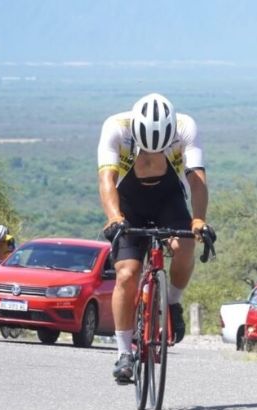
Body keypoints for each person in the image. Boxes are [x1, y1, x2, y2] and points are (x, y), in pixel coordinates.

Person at [97, 93, 211, 383]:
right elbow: (107, 180)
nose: (151, 155)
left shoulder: (186, 127)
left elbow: (196, 178)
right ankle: (123, 352)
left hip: (167, 199)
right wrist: (114, 218)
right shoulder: (116, 127)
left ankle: (172, 302)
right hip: (129, 204)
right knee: (127, 273)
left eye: (157, 150)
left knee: (184, 244)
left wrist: (198, 219)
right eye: (146, 150)